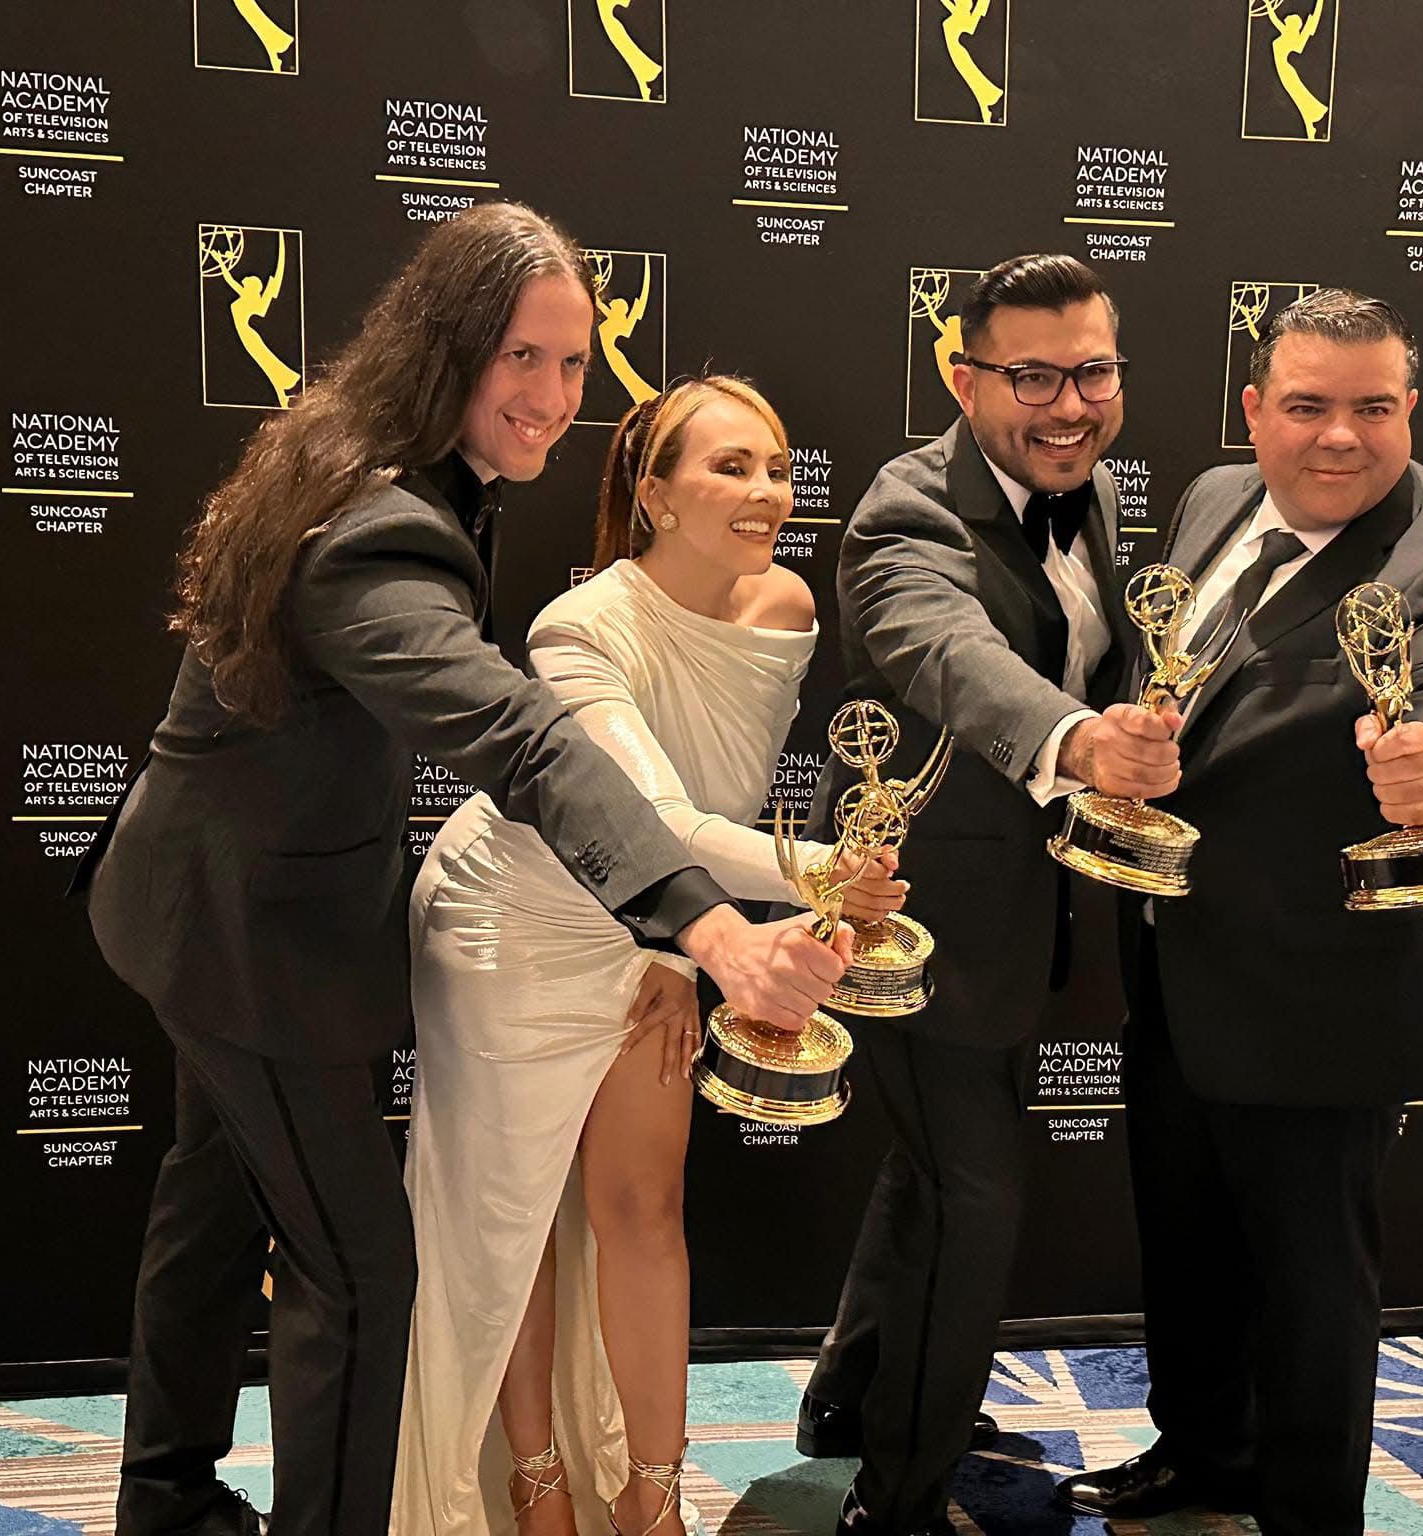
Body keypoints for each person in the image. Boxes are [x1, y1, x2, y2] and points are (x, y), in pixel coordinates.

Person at [77, 204, 848, 1536]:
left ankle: (166, 1504)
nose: (553, 394)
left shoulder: (374, 460)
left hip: (208, 906)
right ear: (446, 350)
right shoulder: (380, 528)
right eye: (520, 358)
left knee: (209, 1216)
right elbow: (521, 740)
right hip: (247, 942)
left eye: (572, 361)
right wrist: (711, 932)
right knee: (361, 1278)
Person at [392, 376, 905, 1536]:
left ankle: (651, 1498)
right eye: (730, 466)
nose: (766, 491)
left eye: (776, 466)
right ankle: (536, 1487)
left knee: (642, 1203)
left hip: (651, 931)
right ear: (654, 495)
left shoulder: (783, 607)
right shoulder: (577, 630)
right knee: (510, 1217)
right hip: (511, 925)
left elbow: (724, 793)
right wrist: (820, 870)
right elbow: (651, 815)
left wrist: (675, 955)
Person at [1056, 288, 1423, 1536]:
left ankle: (1310, 1513)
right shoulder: (1216, 500)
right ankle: (1203, 1455)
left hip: (1320, 998)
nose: (1339, 437)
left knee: (1313, 1290)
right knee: (1186, 1244)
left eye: (1372, 408)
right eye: (1308, 406)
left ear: (1409, 411)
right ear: (1254, 411)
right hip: (1173, 963)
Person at [798, 254, 1179, 1536]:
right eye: (1031, 377)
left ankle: (847, 1400)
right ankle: (897, 1496)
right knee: (970, 1197)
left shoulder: (1098, 492)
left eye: (1091, 372)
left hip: (1023, 912)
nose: (1067, 405)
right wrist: (1077, 743)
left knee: (931, 1172)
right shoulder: (902, 512)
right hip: (911, 913)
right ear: (963, 382)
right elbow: (944, 651)